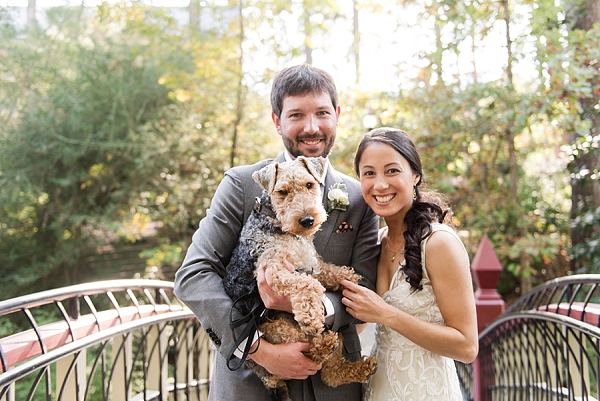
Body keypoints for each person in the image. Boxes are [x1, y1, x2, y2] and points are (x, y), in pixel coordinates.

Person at [173, 64, 380, 401]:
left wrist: (321, 308)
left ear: (337, 116)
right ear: (276, 120)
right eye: (297, 114)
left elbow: (367, 285)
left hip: (333, 390)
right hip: (248, 386)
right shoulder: (240, 185)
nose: (311, 127)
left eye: (322, 113)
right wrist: (257, 349)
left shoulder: (359, 197)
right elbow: (193, 275)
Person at [339, 127, 478, 400]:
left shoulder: (438, 243)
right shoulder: (376, 243)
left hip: (427, 391)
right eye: (369, 173)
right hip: (379, 388)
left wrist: (387, 315)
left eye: (392, 171)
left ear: (414, 175)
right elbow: (358, 323)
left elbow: (467, 346)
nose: (380, 184)